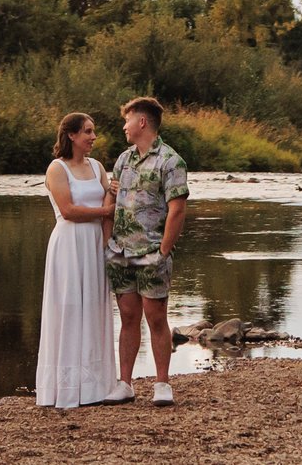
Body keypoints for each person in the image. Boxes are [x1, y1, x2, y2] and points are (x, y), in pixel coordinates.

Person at [35, 111, 130, 408]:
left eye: (93, 131)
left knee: (93, 307)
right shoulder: (57, 169)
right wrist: (105, 212)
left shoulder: (97, 166)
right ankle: (64, 388)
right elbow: (68, 210)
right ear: (72, 135)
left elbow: (107, 201)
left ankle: (95, 386)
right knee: (69, 308)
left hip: (93, 244)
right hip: (68, 244)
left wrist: (106, 241)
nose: (93, 137)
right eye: (88, 132)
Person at [107, 95, 189, 407]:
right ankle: (125, 384)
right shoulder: (123, 160)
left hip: (152, 253)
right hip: (121, 254)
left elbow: (177, 211)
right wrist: (107, 246)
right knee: (128, 317)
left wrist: (163, 251)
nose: (124, 127)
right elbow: (112, 201)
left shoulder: (171, 161)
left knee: (156, 318)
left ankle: (162, 384)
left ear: (142, 122)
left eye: (127, 120)